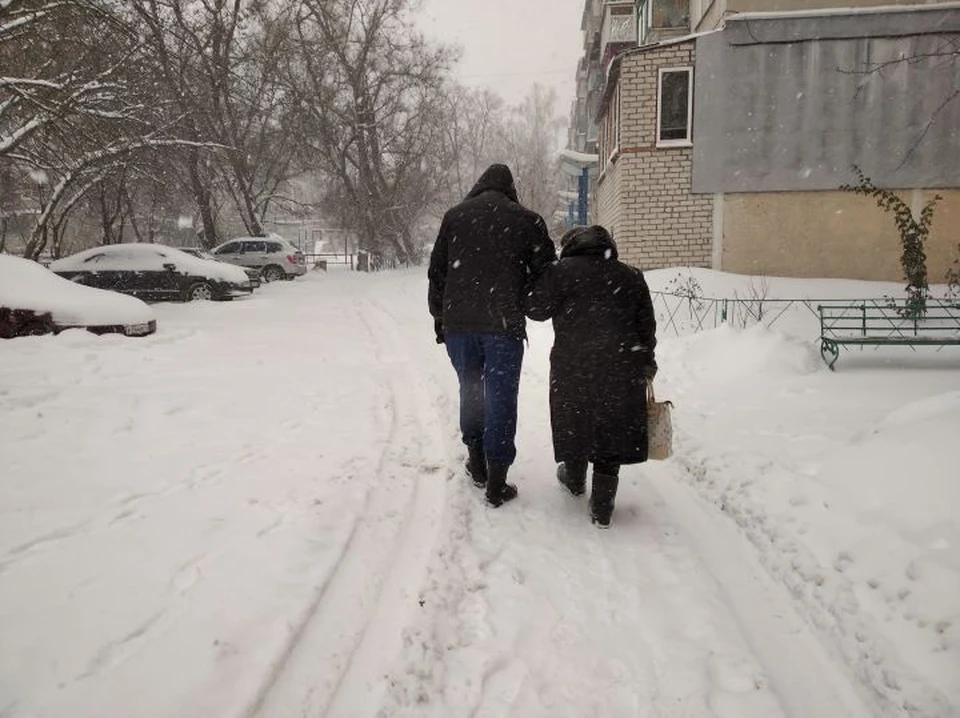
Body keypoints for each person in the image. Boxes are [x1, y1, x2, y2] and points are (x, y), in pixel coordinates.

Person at [428, 164, 556, 507]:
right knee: (500, 397)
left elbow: (437, 273)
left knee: (471, 389)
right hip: (503, 325)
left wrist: (440, 319)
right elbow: (547, 273)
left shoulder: (454, 217)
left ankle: (476, 461)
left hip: (459, 327)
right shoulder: (528, 220)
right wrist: (527, 300)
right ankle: (496, 481)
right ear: (510, 188)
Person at [523, 225, 657, 528]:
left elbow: (535, 309)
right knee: (613, 425)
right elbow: (646, 328)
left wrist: (539, 273)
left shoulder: (561, 272)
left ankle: (574, 478)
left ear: (571, 246)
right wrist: (646, 362)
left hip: (573, 365)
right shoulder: (632, 276)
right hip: (622, 366)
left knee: (575, 420)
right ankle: (602, 505)